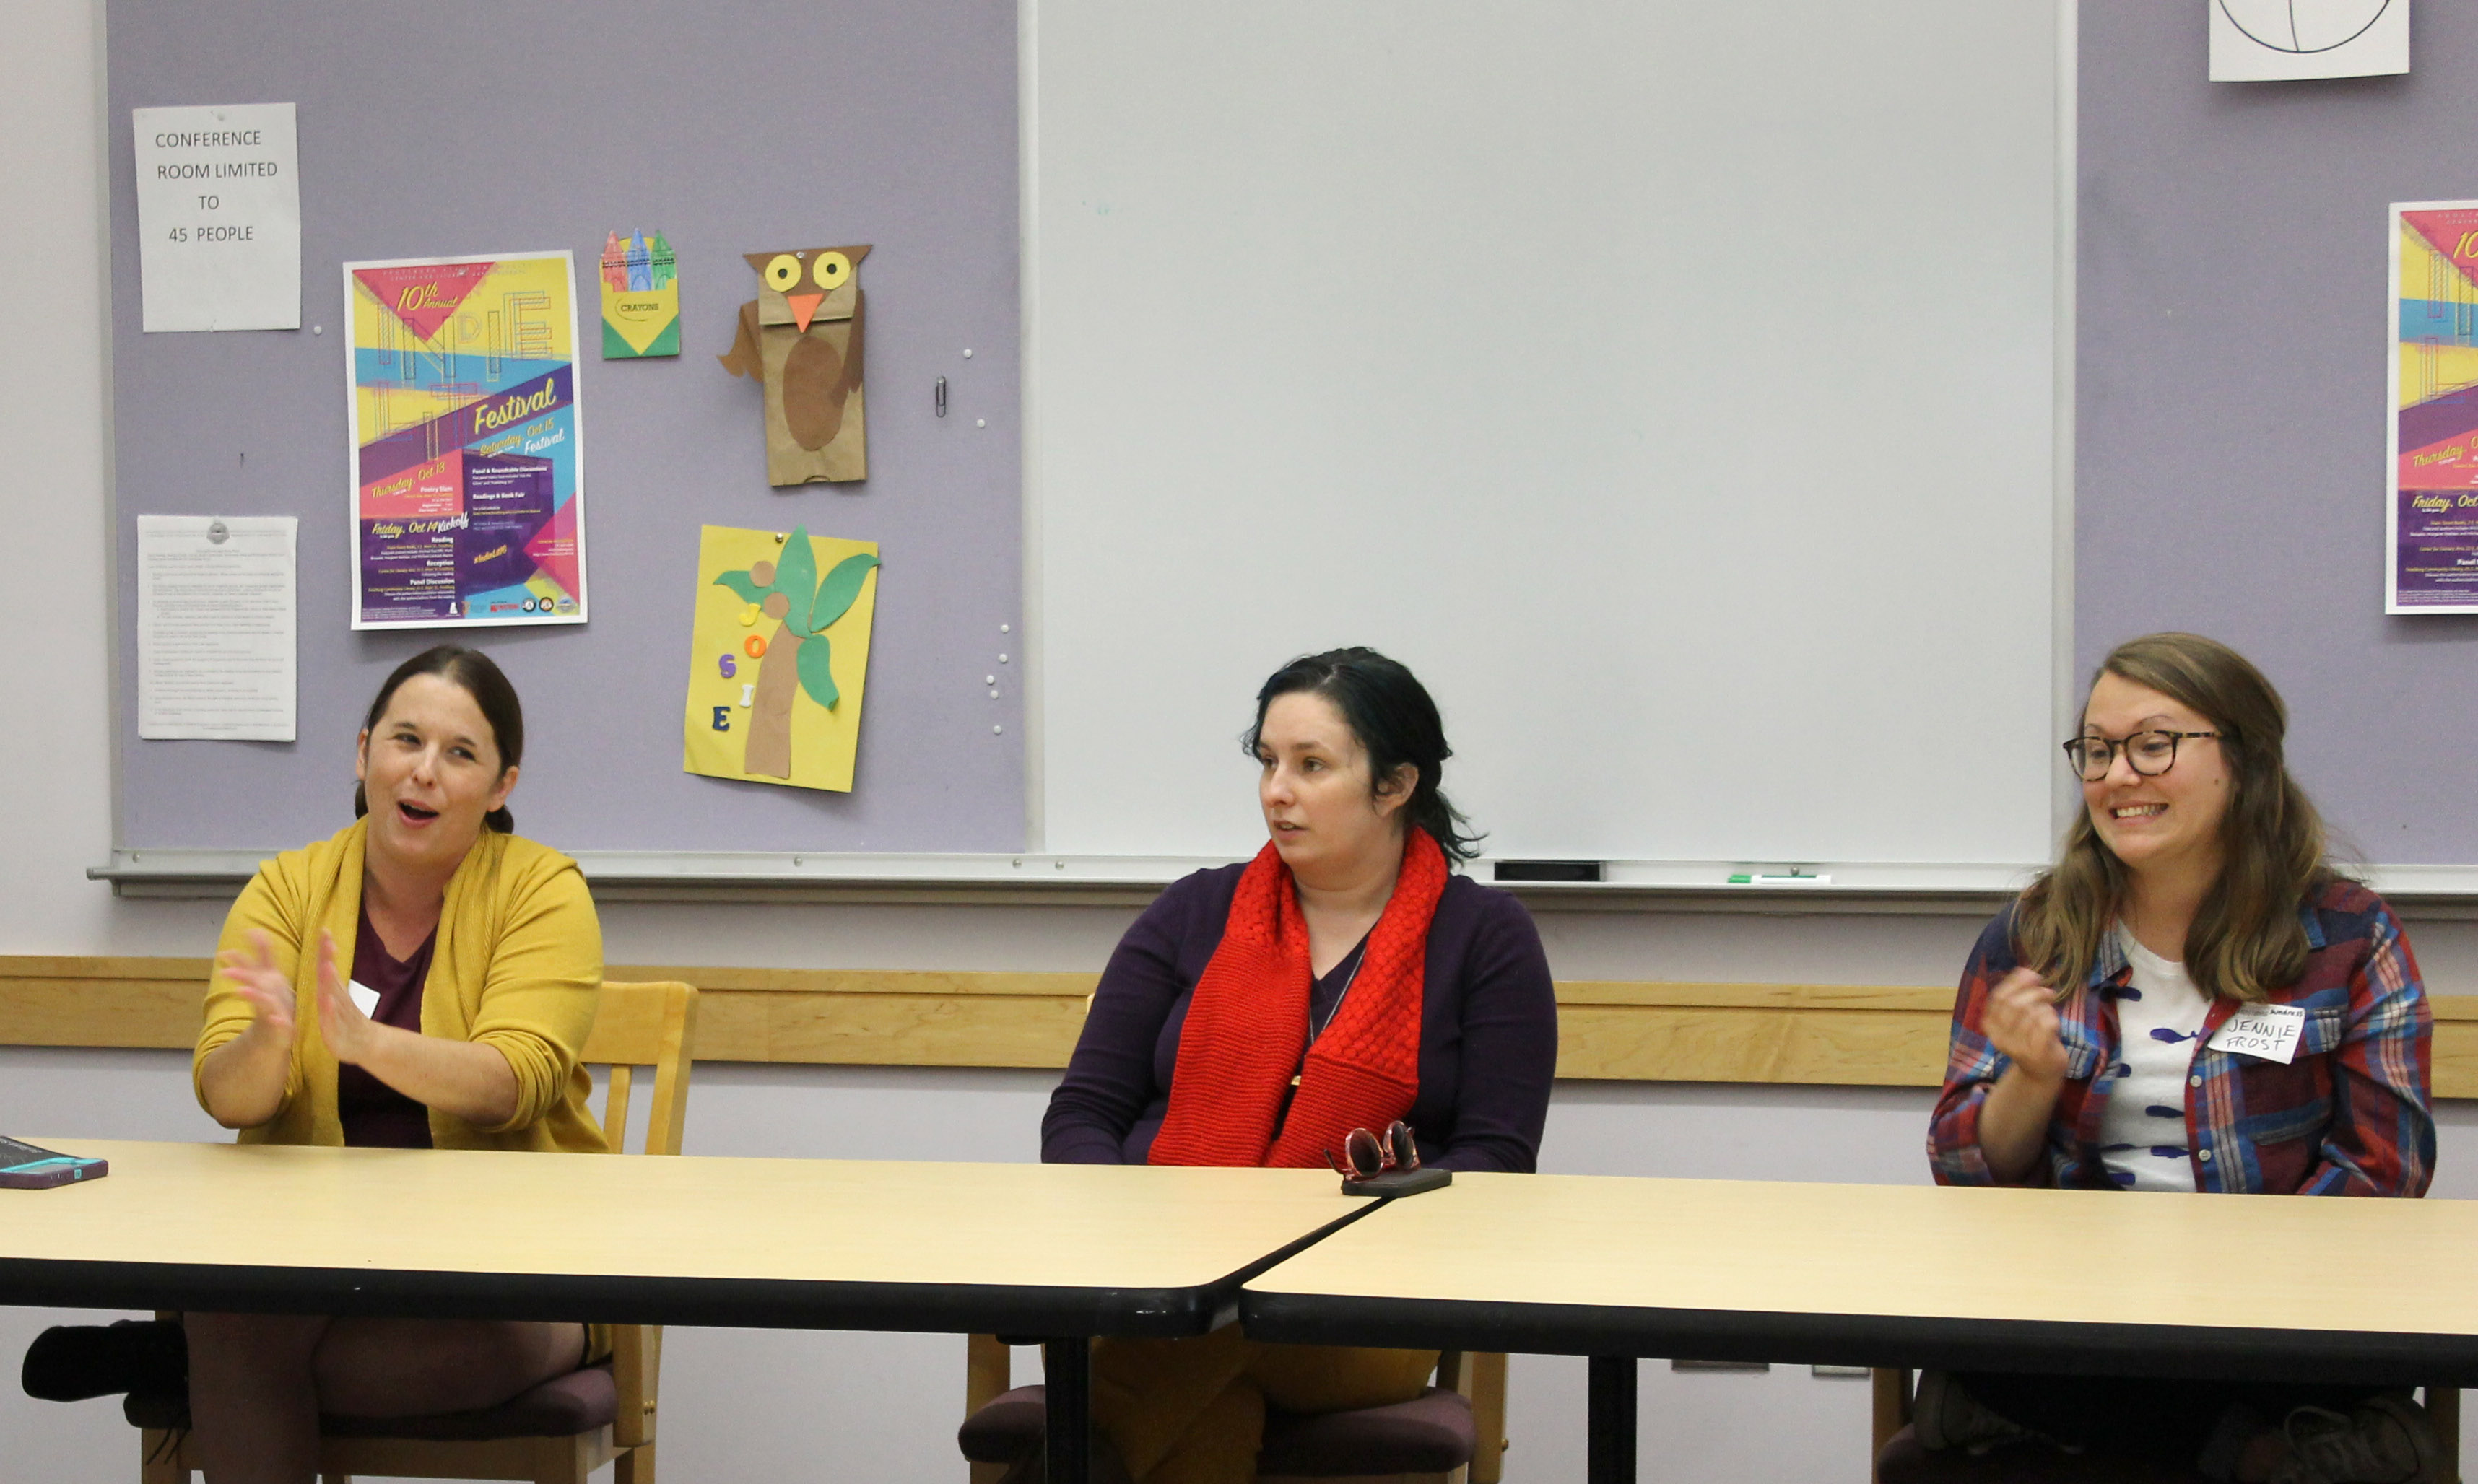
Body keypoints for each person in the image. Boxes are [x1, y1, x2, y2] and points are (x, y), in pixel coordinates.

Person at [1916, 633, 2437, 1484]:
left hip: (2288, 1304)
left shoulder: (2347, 933)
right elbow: (1966, 1171)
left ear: (2245, 760)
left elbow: (2387, 1168)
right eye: (2097, 750)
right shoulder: (2036, 932)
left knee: (2321, 1351)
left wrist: (2232, 1288)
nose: (2119, 775)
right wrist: (2031, 1081)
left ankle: (2062, 1416)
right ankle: (2255, 1445)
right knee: (2029, 1337)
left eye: (2154, 744)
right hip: (2087, 1302)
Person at [1038, 647, 1559, 1484]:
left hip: (1367, 1305)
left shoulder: (1484, 939)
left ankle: (1070, 1463)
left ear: (1394, 786)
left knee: (1217, 1320)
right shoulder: (1191, 912)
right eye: (1269, 761)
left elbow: (1500, 1158)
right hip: (1154, 1277)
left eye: (1312, 765)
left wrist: (1359, 1210)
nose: (1277, 790)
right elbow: (1083, 1115)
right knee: (1210, 1405)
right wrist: (1129, 1235)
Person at [185, 645, 607, 1484]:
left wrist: (366, 1040)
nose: (424, 774)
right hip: (317, 1265)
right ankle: (190, 1358)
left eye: (460, 754)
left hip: (510, 1278)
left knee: (240, 1355)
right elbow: (224, 1096)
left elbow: (512, 1083)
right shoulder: (287, 886)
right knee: (240, 1324)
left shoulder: (545, 891)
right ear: (363, 751)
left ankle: (170, 1361)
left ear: (501, 788)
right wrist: (269, 1040)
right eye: (404, 740)